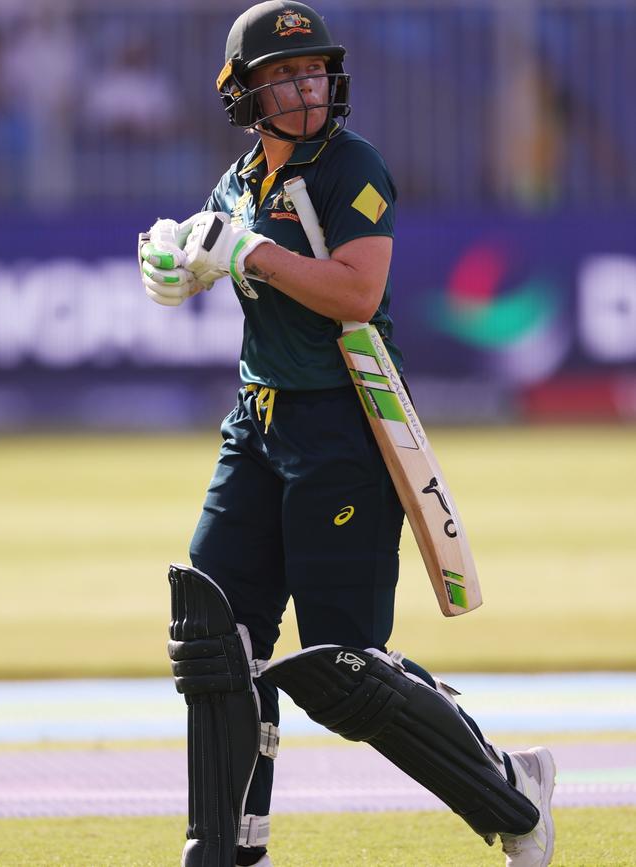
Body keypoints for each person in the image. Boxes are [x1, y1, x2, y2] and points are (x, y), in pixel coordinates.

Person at [138, 3, 556, 866]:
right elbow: (212, 238)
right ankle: (224, 846)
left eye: (311, 70)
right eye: (279, 77)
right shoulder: (240, 179)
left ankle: (513, 793)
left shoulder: (351, 166)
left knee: (340, 667)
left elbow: (355, 294)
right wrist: (174, 259)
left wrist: (247, 253)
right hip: (255, 423)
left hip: (344, 425)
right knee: (216, 638)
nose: (302, 88)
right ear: (242, 95)